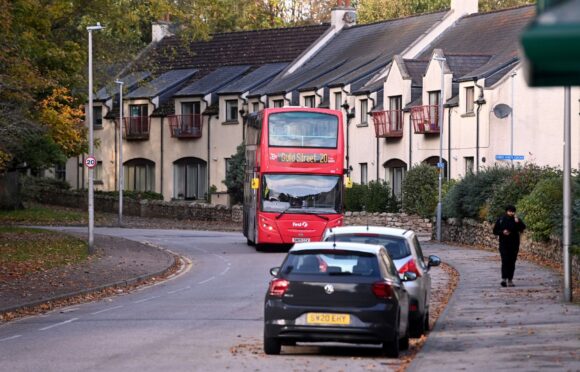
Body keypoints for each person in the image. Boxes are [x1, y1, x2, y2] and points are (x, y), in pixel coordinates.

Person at [493, 205, 526, 287]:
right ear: (507, 211)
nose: (512, 213)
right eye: (510, 211)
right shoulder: (501, 219)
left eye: (513, 211)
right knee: (505, 261)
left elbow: (523, 228)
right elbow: (495, 231)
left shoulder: (516, 220)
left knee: (512, 262)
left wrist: (518, 222)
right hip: (504, 244)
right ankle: (504, 279)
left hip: (514, 244)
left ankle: (510, 280)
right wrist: (502, 232)